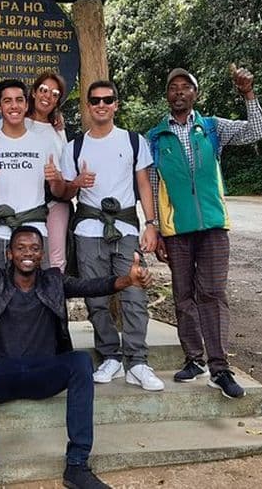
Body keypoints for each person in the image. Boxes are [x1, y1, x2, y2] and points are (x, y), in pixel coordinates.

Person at [0, 225, 152, 489]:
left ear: (41, 254)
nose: (28, 253)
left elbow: (92, 286)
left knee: (81, 362)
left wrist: (128, 280)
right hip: (2, 375)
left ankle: (77, 466)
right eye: (21, 248)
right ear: (9, 254)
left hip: (43, 374)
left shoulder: (54, 280)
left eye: (34, 248)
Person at [147, 66, 262, 399]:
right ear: (167, 95)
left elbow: (257, 130)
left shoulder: (213, 127)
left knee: (213, 293)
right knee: (183, 295)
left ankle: (219, 368)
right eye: (173, 87)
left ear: (195, 94)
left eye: (186, 87)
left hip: (213, 226)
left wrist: (248, 94)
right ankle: (194, 360)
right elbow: (154, 186)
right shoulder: (155, 137)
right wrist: (156, 229)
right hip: (176, 230)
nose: (179, 92)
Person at [60, 80, 164, 392]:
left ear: (116, 104)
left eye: (108, 99)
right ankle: (110, 356)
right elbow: (64, 191)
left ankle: (138, 361)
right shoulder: (74, 147)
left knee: (134, 294)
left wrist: (151, 224)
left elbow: (143, 183)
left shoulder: (133, 141)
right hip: (88, 229)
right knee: (95, 298)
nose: (101, 105)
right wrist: (76, 183)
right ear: (88, 106)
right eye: (95, 100)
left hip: (126, 228)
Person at [0, 79, 65, 271]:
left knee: (38, 288)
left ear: (26, 104)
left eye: (19, 100)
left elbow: (59, 191)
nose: (14, 106)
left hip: (34, 232)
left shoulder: (44, 142)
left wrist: (56, 179)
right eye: (7, 101)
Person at [25, 71, 71, 272]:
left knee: (56, 260)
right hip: (25, 200)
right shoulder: (17, 122)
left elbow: (66, 164)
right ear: (34, 92)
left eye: (54, 94)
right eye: (44, 90)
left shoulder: (58, 129)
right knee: (26, 256)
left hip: (54, 200)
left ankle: (54, 292)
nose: (48, 96)